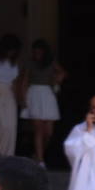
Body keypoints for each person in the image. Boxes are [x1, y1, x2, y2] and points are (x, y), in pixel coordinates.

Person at [18, 39, 67, 167]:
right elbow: (24, 81)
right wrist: (23, 99)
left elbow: (62, 72)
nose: (37, 54)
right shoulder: (29, 63)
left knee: (48, 132)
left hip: (47, 95)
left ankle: (37, 154)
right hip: (34, 94)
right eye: (35, 52)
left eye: (39, 52)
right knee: (38, 129)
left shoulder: (51, 62)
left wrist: (56, 81)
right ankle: (40, 160)